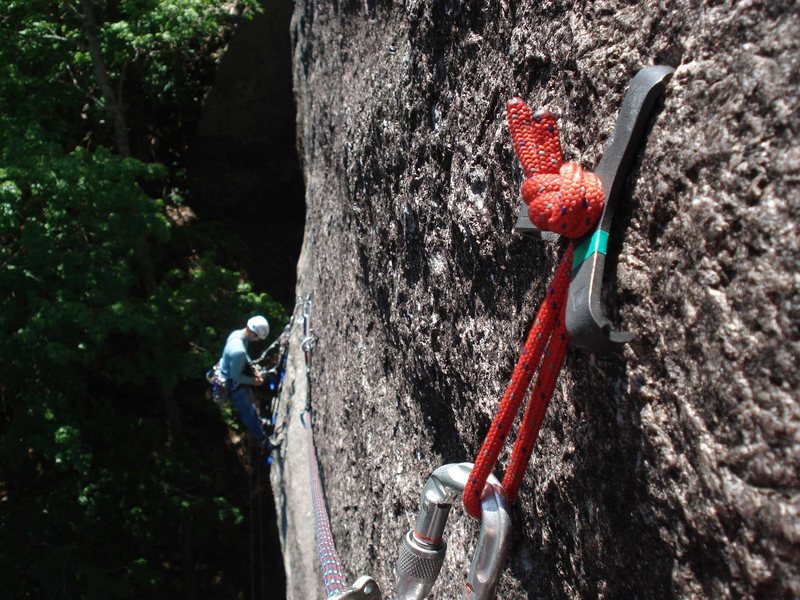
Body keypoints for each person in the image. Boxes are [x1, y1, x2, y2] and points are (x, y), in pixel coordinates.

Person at [218, 315, 271, 448]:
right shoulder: (238, 350)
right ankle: (263, 440)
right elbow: (236, 377)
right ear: (253, 333)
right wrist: (255, 381)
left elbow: (244, 356)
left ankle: (259, 423)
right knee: (248, 413)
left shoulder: (237, 334)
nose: (257, 340)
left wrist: (253, 368)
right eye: (257, 337)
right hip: (233, 385)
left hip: (230, 376)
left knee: (251, 405)